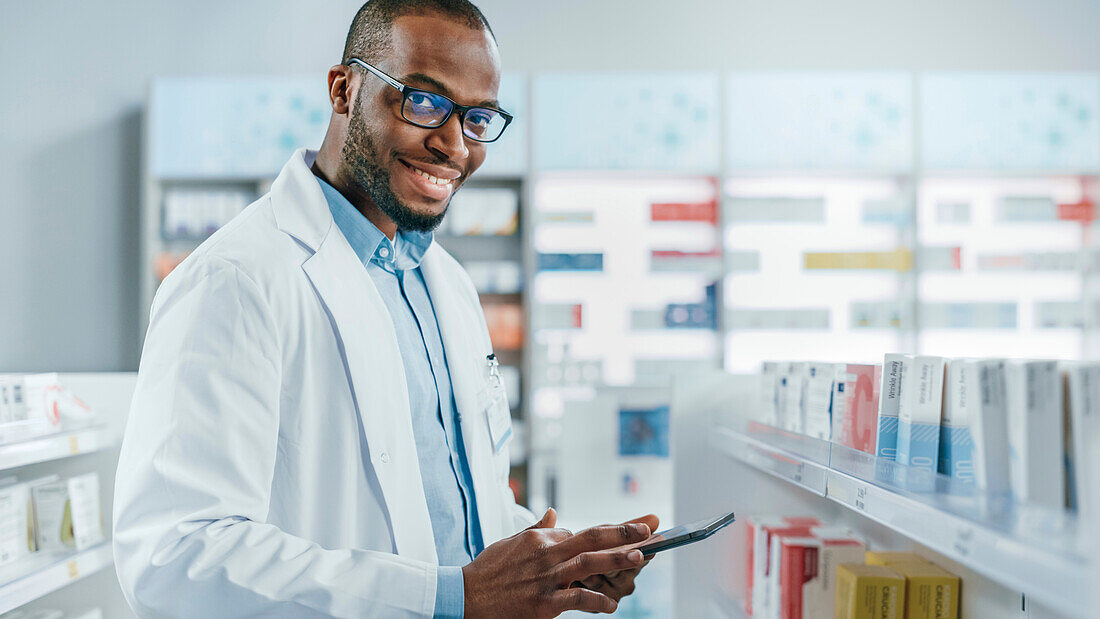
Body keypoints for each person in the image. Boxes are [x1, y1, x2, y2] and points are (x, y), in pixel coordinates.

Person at [112, 1, 657, 617]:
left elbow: (455, 506)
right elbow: (176, 557)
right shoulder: (235, 280)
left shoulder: (445, 283)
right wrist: (454, 595)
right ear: (344, 90)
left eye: (478, 118)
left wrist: (556, 561)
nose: (455, 145)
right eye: (422, 101)